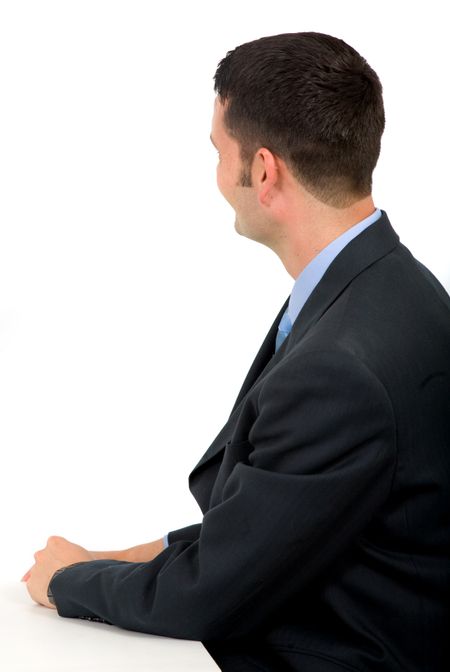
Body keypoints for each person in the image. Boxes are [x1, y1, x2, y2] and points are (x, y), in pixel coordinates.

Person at [23, 32, 450, 671]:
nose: (218, 173)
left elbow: (209, 597)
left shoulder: (340, 368)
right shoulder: (392, 285)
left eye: (219, 152)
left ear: (263, 170)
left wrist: (67, 582)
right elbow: (287, 520)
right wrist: (129, 555)